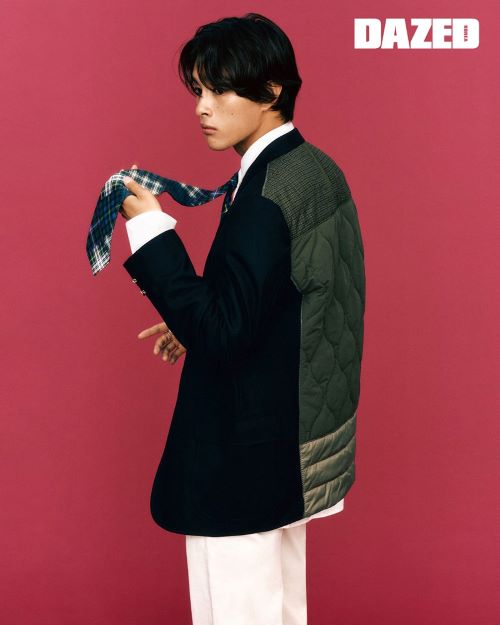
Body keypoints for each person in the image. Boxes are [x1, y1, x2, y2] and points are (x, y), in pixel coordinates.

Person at [119, 12, 366, 625]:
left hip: (244, 453)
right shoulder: (314, 169)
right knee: (281, 611)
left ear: (271, 90)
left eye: (221, 89)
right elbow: (297, 295)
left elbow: (225, 333)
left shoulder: (264, 196)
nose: (203, 107)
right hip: (292, 441)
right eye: (199, 90)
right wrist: (196, 321)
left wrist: (151, 230)